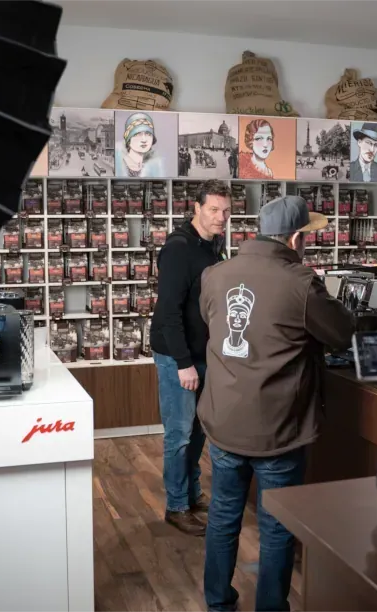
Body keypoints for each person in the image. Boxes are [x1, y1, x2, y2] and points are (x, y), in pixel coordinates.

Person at [198, 195, 355, 612]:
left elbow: (211, 323)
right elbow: (341, 333)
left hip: (225, 420)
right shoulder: (301, 281)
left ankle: (217, 603)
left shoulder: (215, 274)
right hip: (279, 428)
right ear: (296, 238)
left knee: (223, 516)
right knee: (276, 526)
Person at [149, 180, 231, 536]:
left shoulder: (215, 246)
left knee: (199, 430)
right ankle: (176, 506)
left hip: (204, 353)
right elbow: (168, 311)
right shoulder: (179, 248)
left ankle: (192, 493)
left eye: (226, 211)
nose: (221, 217)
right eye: (213, 209)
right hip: (176, 356)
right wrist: (183, 363)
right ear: (196, 208)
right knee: (179, 433)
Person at [116, 112, 167, 177]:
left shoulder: (154, 166)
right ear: (128, 139)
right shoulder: (118, 164)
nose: (144, 140)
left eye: (148, 134)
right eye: (138, 134)